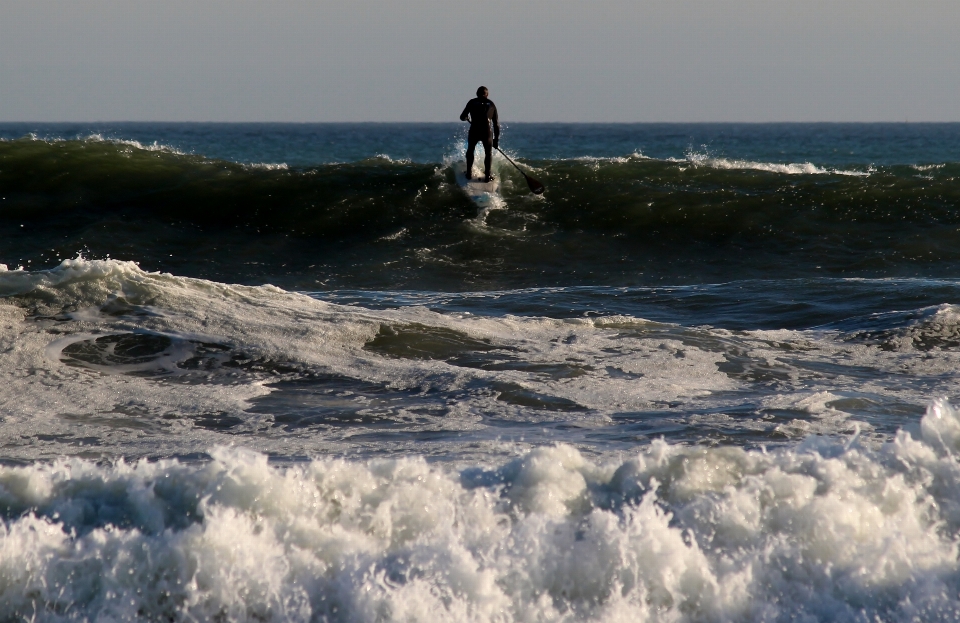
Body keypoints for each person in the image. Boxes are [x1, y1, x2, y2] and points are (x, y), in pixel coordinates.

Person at [459, 86, 500, 182]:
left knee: (470, 151)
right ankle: (487, 176)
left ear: (477, 94)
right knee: (488, 153)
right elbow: (496, 124)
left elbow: (462, 117)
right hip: (487, 132)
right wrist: (496, 140)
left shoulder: (472, 102)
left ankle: (469, 173)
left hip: (475, 130)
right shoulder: (492, 104)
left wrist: (466, 118)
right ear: (487, 94)